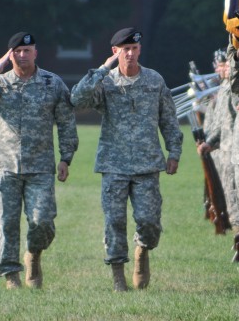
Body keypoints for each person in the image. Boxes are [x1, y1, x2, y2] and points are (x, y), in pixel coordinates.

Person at [0, 32, 78, 290]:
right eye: (17, 52)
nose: (22, 56)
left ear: (36, 53)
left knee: (42, 221)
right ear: (9, 54)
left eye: (27, 51)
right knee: (6, 224)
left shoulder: (52, 83)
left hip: (40, 166)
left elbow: (66, 123)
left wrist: (66, 158)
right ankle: (11, 274)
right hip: (4, 166)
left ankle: (34, 255)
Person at [71, 27, 183, 292]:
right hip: (114, 165)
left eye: (134, 49)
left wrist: (174, 152)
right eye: (125, 50)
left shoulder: (154, 80)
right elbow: (77, 98)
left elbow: (168, 118)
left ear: (140, 50)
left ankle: (142, 251)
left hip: (147, 165)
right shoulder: (106, 82)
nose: (130, 54)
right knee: (114, 221)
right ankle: (118, 276)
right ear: (115, 52)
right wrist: (102, 69)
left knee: (149, 221)